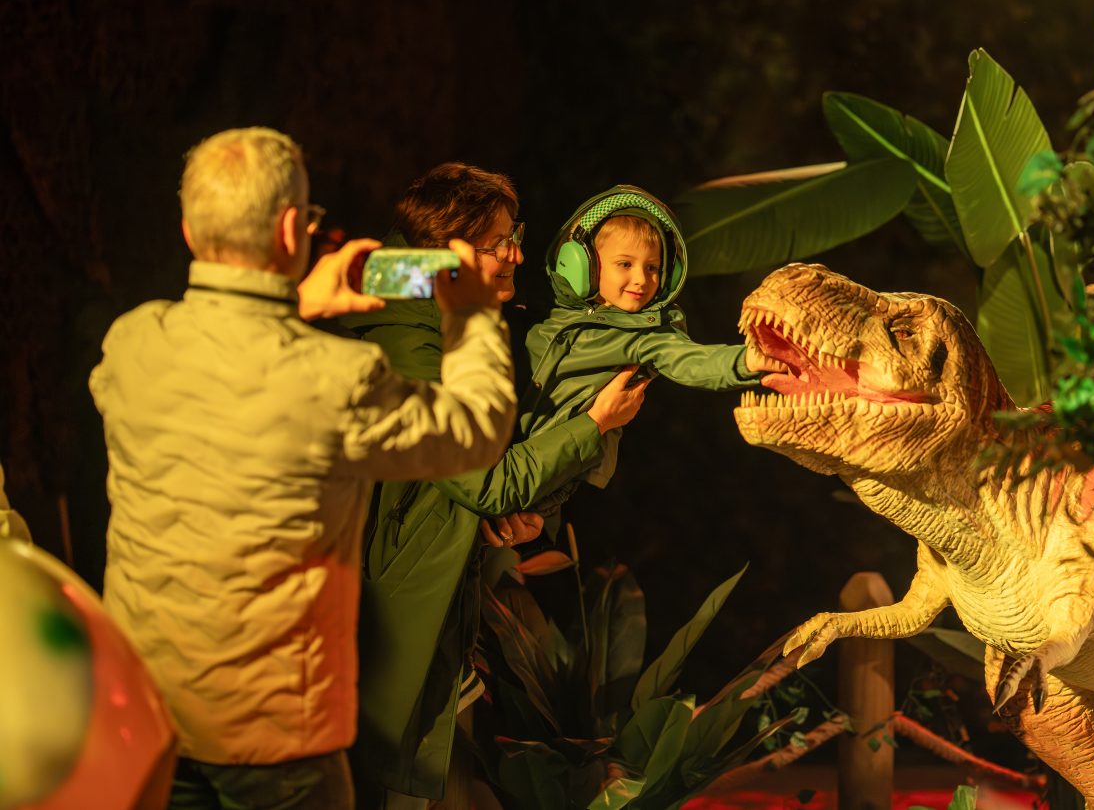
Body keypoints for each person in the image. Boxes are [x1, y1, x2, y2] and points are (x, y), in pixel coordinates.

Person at [90, 128, 518, 810]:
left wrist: (294, 304)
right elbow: (477, 430)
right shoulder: (336, 378)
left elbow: (225, 352)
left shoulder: (133, 341)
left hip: (147, 710)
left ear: (188, 229)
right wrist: (469, 312)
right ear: (293, 228)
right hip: (275, 739)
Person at [344, 163, 649, 809]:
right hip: (397, 630)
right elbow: (487, 479)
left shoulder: (435, 311)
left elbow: (466, 486)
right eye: (498, 242)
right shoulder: (408, 335)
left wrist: (513, 519)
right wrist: (594, 424)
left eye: (517, 235)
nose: (517, 252)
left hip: (444, 634)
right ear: (446, 249)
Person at [520, 184, 781, 488]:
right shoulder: (537, 314)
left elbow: (695, 361)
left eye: (653, 268)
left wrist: (749, 360)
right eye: (625, 264)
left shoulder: (646, 336)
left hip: (548, 484)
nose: (642, 279)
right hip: (493, 462)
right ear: (582, 262)